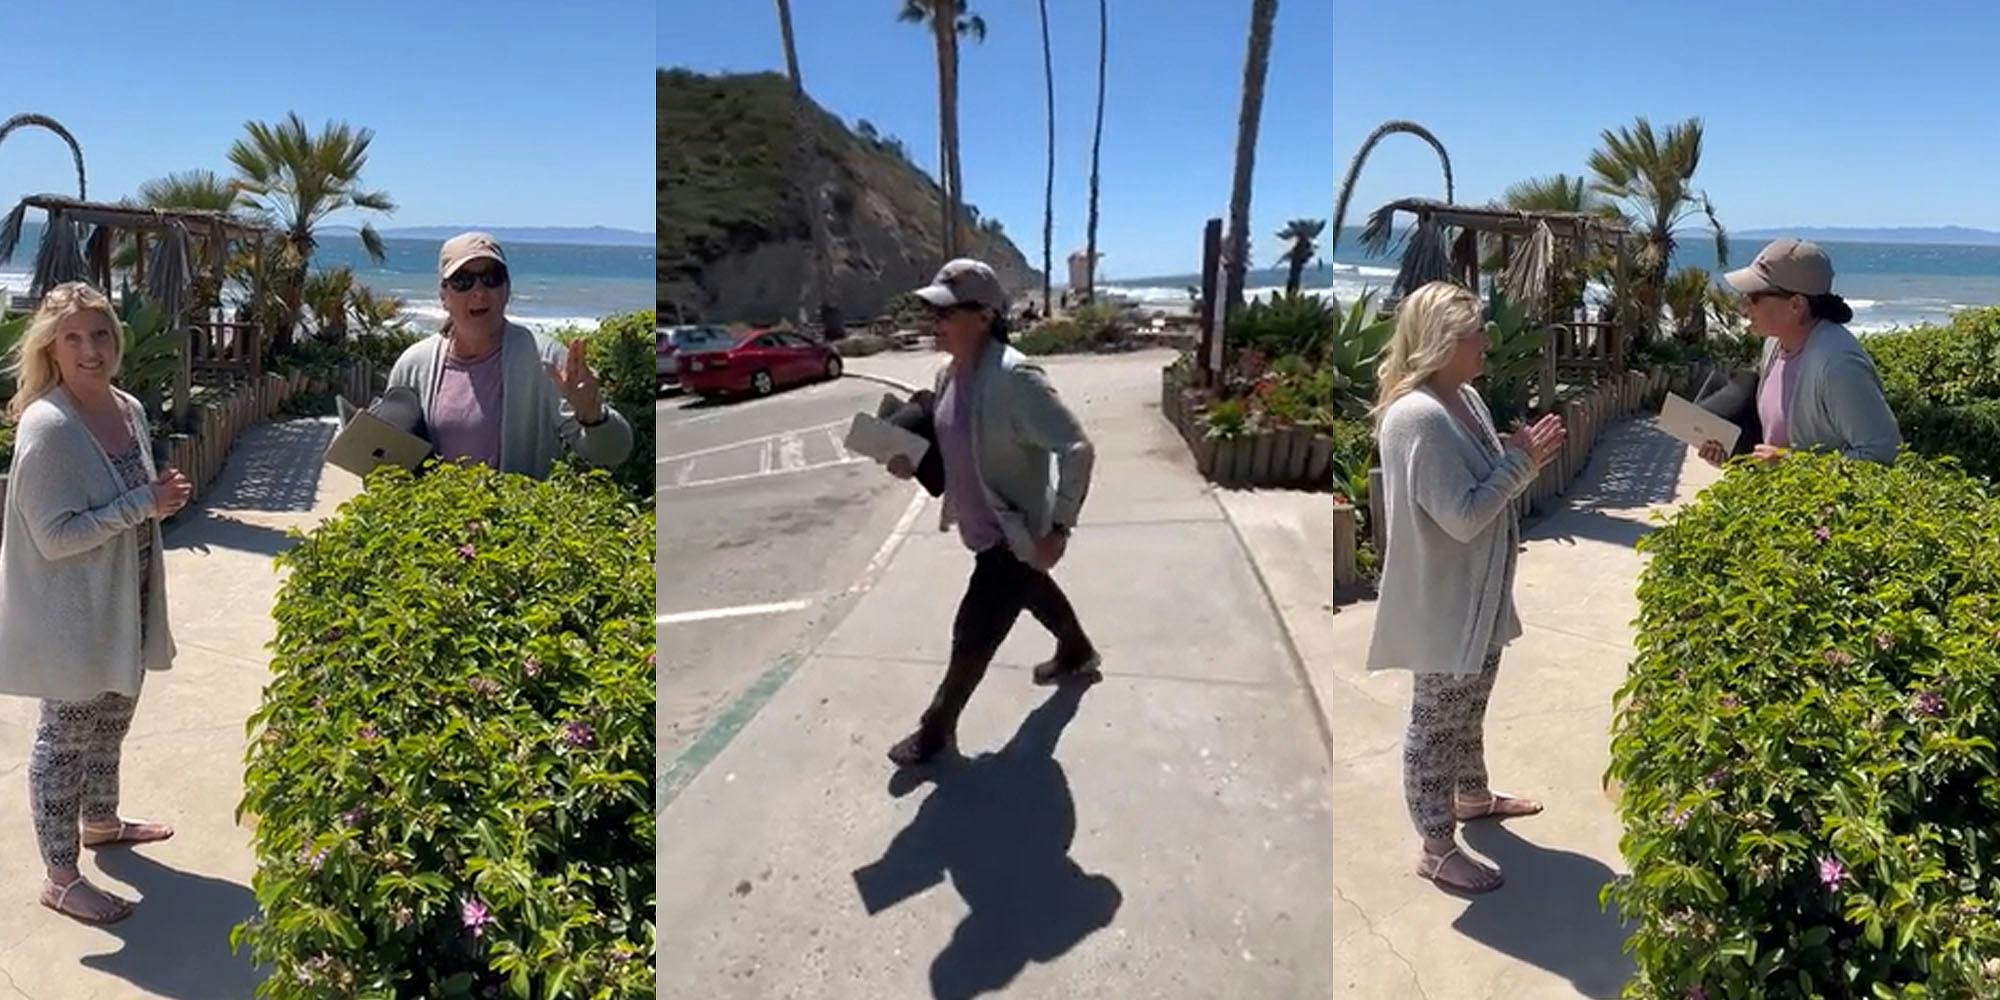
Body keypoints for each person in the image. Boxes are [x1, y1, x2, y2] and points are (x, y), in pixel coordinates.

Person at [0, 282, 192, 924]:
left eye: (101, 333)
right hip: (72, 616)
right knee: (64, 741)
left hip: (125, 602)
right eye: (74, 337)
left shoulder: (129, 407)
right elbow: (53, 537)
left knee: (113, 718)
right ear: (51, 347)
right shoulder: (48, 426)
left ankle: (101, 821)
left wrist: (161, 495)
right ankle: (59, 877)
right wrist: (142, 504)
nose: (91, 349)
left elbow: (130, 497)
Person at [1364, 281, 1565, 893]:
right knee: (1435, 724)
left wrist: (1515, 453)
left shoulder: (1466, 399)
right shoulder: (1417, 416)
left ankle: (1471, 796)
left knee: (1468, 709)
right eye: (1475, 332)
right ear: (1443, 342)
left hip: (1478, 595)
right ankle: (1434, 845)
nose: (1486, 341)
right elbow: (1462, 515)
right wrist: (1521, 463)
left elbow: (1480, 478)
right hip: (1444, 601)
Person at [883, 258, 1100, 767]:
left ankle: (935, 729)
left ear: (982, 315)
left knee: (972, 632)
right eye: (930, 310)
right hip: (989, 533)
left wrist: (1060, 527)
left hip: (1015, 532)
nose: (933, 321)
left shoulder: (1015, 378)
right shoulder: (947, 376)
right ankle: (1077, 651)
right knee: (1033, 588)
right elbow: (950, 442)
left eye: (945, 311)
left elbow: (1077, 449)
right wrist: (905, 458)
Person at [386, 232, 634, 478]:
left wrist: (594, 417)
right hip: (432, 517)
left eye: (491, 278)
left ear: (507, 289)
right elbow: (388, 455)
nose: (479, 292)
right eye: (463, 281)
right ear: (443, 296)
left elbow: (613, 454)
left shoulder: (544, 359)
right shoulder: (414, 365)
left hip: (516, 517)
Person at [1697, 239, 1900, 467]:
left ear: (1796, 305)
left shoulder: (1840, 367)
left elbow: (1882, 455)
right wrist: (1733, 454)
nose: (1743, 307)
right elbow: (1774, 440)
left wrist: (1792, 464)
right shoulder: (1774, 344)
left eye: (1754, 297)